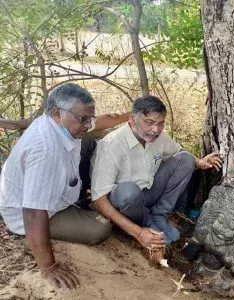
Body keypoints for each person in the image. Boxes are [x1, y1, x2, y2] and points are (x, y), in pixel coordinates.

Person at [0, 83, 130, 291]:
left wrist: (131, 114)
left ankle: (84, 199)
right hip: (30, 213)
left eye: (90, 119)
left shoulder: (63, 122)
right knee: (100, 228)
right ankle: (86, 205)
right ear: (57, 113)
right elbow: (33, 211)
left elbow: (103, 120)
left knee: (89, 142)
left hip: (56, 192)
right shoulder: (45, 151)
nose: (88, 125)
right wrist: (48, 267)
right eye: (83, 119)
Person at [91, 95, 222, 250]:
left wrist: (200, 162)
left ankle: (160, 216)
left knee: (185, 159)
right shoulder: (112, 145)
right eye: (149, 123)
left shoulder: (157, 136)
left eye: (160, 124)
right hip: (126, 202)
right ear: (133, 120)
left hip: (150, 192)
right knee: (129, 191)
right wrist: (139, 233)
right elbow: (99, 201)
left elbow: (178, 152)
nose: (156, 129)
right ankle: (145, 225)